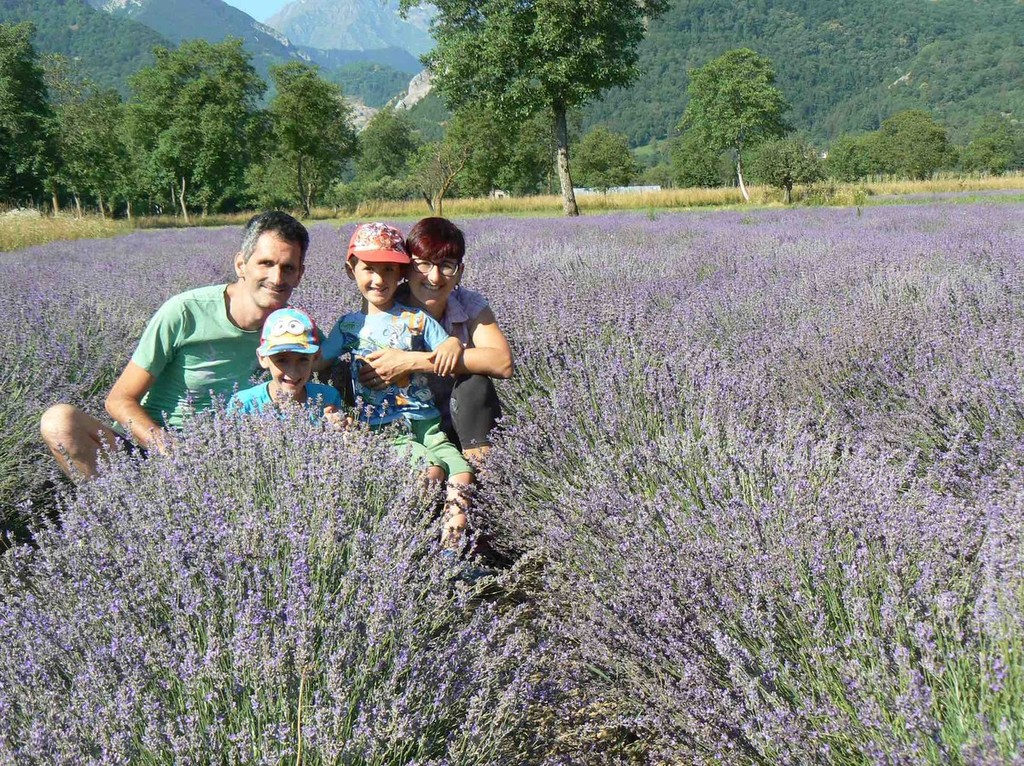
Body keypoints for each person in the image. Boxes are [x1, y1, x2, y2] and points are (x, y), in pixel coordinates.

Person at [39, 210, 309, 480]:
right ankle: (112, 511)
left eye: (288, 268)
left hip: (231, 457)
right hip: (149, 446)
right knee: (59, 422)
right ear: (241, 265)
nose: (276, 278)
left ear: (299, 275)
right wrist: (168, 447)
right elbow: (118, 400)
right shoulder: (185, 312)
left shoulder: (292, 329)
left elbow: (324, 363)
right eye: (266, 263)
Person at [319, 222, 473, 546]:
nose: (379, 279)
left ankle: (450, 551)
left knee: (461, 473)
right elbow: (319, 360)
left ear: (401, 274)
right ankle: (397, 544)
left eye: (389, 270)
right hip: (384, 428)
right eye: (369, 269)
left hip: (428, 425)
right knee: (430, 472)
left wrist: (451, 347)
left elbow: (448, 345)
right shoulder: (348, 326)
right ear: (351, 270)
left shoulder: (415, 319)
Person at [354, 217, 512, 465]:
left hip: (457, 416)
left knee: (474, 383)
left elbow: (502, 362)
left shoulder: (469, 303)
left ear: (460, 272)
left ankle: (486, 482)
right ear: (406, 269)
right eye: (423, 264)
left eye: (447, 266)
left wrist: (412, 361)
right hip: (404, 420)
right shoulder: (384, 304)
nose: (435, 277)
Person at [228, 307, 345, 425]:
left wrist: (343, 429)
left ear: (315, 358)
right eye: (281, 360)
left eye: (303, 360)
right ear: (263, 358)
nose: (292, 372)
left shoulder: (328, 397)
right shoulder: (244, 404)